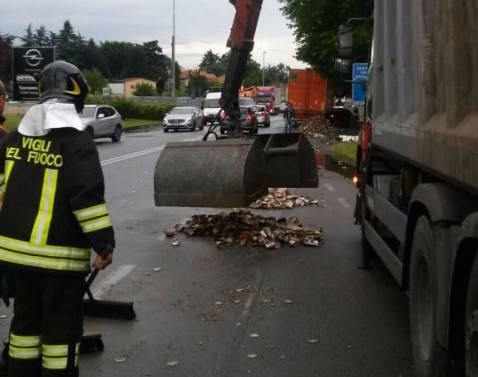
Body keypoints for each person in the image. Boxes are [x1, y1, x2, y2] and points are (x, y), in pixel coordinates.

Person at [0, 61, 115, 377]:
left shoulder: (13, 141)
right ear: (76, 95)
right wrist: (104, 245)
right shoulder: (77, 144)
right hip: (59, 266)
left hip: (15, 262)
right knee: (60, 339)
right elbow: (87, 201)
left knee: (24, 329)